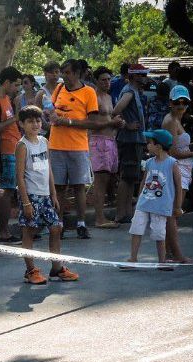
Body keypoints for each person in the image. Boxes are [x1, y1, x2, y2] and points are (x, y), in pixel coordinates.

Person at [15, 105, 79, 284]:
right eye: (30, 121)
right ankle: (31, 270)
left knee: (55, 228)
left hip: (46, 196)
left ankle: (57, 268)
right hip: (31, 196)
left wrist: (54, 194)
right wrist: (26, 202)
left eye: (37, 121)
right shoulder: (22, 145)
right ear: (22, 124)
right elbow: (19, 176)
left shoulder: (44, 141)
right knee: (29, 231)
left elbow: (48, 169)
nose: (35, 124)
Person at [47, 59, 102, 240]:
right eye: (63, 72)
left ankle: (81, 223)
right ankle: (59, 223)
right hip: (56, 145)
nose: (64, 75)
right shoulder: (59, 89)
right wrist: (51, 116)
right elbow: (52, 111)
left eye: (68, 72)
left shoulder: (89, 92)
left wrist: (68, 122)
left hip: (78, 146)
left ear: (78, 73)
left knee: (79, 186)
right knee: (59, 187)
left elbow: (93, 122)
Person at [123, 129, 181, 268]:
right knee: (136, 229)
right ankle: (133, 258)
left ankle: (162, 261)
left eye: (150, 143)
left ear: (159, 146)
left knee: (159, 233)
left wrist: (177, 206)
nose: (147, 145)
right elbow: (144, 181)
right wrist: (139, 198)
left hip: (161, 205)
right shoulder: (149, 162)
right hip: (144, 202)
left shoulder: (172, 163)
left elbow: (178, 186)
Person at [162, 85, 193, 263]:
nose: (181, 105)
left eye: (184, 102)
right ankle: (176, 254)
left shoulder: (179, 119)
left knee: (174, 214)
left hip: (183, 170)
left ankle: (168, 253)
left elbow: (179, 146)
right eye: (177, 102)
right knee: (173, 214)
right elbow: (170, 151)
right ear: (170, 103)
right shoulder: (171, 120)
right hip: (176, 170)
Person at [0, 66, 23, 244]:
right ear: (6, 82)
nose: (18, 89)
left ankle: (12, 229)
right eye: (16, 85)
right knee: (6, 192)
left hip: (13, 148)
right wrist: (14, 119)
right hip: (5, 151)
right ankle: (4, 232)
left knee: (11, 190)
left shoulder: (7, 98)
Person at [112, 64, 150, 225]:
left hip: (135, 139)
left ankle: (127, 213)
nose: (144, 77)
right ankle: (121, 214)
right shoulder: (128, 91)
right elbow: (116, 110)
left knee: (131, 178)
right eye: (141, 75)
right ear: (134, 76)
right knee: (126, 177)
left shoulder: (134, 91)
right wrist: (127, 125)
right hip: (130, 139)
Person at [89, 67, 124, 228]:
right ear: (96, 80)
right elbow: (94, 123)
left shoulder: (109, 97)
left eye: (109, 79)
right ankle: (99, 218)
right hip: (98, 141)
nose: (107, 82)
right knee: (100, 180)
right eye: (103, 79)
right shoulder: (93, 97)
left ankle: (102, 216)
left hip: (111, 140)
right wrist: (112, 122)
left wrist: (118, 124)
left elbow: (109, 119)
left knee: (108, 178)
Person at [35, 61, 61, 135]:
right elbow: (37, 114)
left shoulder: (62, 90)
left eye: (57, 72)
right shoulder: (41, 93)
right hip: (46, 133)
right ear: (45, 74)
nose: (54, 75)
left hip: (61, 130)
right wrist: (48, 127)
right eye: (51, 72)